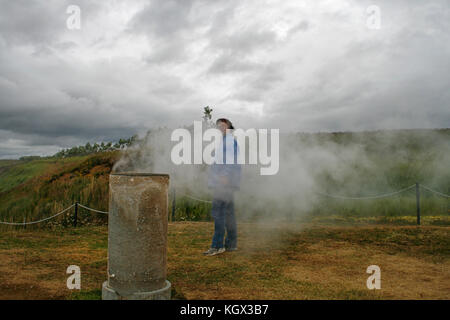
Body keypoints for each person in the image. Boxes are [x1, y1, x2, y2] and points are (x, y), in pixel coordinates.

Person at [203, 118, 241, 256]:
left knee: (218, 213)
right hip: (228, 183)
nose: (220, 127)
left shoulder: (229, 141)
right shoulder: (226, 141)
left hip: (224, 183)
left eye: (223, 125)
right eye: (218, 125)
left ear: (229, 127)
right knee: (229, 214)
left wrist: (224, 176)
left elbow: (230, 162)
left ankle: (217, 246)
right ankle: (231, 244)